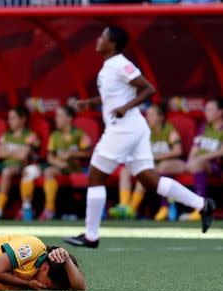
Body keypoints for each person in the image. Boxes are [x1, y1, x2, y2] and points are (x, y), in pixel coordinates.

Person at [62, 26, 215, 249]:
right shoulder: (109, 66)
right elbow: (113, 95)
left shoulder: (121, 64)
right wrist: (91, 103)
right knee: (150, 180)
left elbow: (148, 88)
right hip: (133, 128)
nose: (98, 40)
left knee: (94, 177)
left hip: (124, 129)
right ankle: (203, 204)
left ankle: (91, 236)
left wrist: (125, 107)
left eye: (102, 37)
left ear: (112, 44)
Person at [109, 104, 184, 221]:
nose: (148, 117)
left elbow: (177, 151)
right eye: (147, 115)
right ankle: (123, 205)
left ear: (161, 117)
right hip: (148, 164)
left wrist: (156, 157)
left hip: (164, 165)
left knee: (143, 174)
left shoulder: (169, 130)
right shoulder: (144, 131)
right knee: (125, 170)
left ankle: (132, 208)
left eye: (152, 115)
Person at [19, 106, 92, 221]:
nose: (56, 119)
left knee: (49, 171)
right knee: (28, 171)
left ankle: (49, 210)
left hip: (72, 166)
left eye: (59, 116)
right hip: (57, 166)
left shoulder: (79, 134)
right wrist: (57, 162)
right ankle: (26, 208)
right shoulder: (55, 135)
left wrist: (73, 153)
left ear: (69, 118)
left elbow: (90, 153)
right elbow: (50, 156)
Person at [180, 98, 223, 221]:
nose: (206, 112)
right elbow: (195, 146)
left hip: (216, 166)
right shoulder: (204, 127)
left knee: (198, 163)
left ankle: (200, 208)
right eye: (206, 109)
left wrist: (200, 158)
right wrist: (190, 161)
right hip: (198, 162)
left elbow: (221, 152)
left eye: (210, 109)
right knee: (165, 166)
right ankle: (165, 207)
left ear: (220, 112)